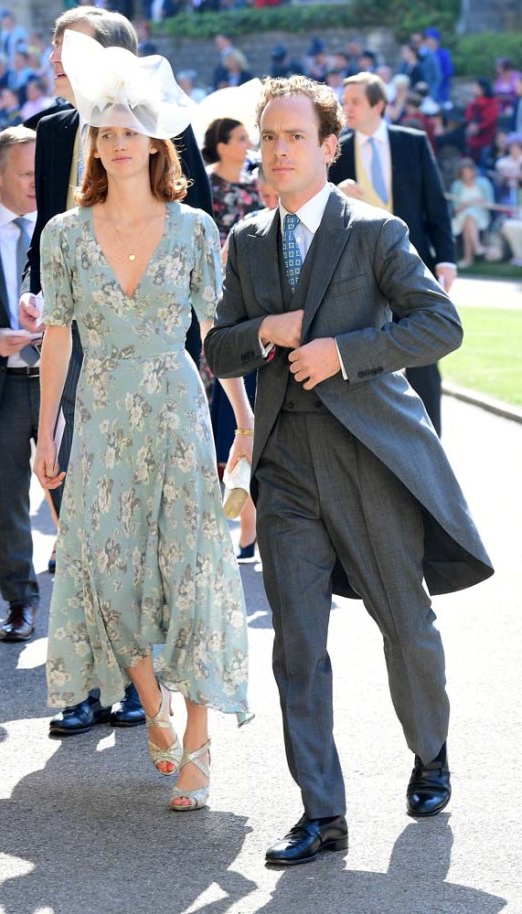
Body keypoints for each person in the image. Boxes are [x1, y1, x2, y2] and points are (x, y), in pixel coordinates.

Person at [205, 74, 493, 865]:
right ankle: (321, 812)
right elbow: (217, 349)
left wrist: (346, 353)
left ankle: (430, 754)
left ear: (331, 149)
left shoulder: (376, 231)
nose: (276, 151)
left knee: (405, 625)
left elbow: (441, 323)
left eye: (294, 136)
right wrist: (267, 328)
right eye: (267, 137)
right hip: (285, 468)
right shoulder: (250, 240)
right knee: (297, 643)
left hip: (370, 458)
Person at [33, 31, 251, 811]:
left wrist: (246, 426)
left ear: (155, 141)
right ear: (93, 144)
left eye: (130, 130)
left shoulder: (195, 229)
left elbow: (217, 337)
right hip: (100, 414)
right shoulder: (63, 235)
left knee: (191, 571)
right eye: (106, 131)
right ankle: (149, 699)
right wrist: (44, 430)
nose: (117, 144)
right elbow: (58, 335)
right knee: (102, 567)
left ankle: (196, 737)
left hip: (178, 415)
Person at [19, 5, 213, 735]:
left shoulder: (167, 126)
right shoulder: (49, 129)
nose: (57, 64)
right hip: (75, 339)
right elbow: (45, 229)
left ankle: (140, 688)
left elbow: (195, 262)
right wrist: (40, 300)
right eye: (53, 52)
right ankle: (88, 681)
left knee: (152, 537)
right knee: (86, 532)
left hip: (156, 367)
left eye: (68, 52)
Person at [329, 71, 456, 435]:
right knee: (364, 352)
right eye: (344, 100)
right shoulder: (337, 149)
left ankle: (431, 441)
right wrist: (337, 192)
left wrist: (445, 259)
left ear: (379, 105)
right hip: (358, 267)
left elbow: (436, 204)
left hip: (413, 262)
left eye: (354, 101)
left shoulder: (412, 143)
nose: (346, 108)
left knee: (424, 355)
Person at [0, 126, 41, 642]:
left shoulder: (61, 226)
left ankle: (91, 610)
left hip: (58, 382)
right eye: (26, 173)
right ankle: (20, 602)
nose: (37, 182)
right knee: (8, 500)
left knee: (79, 498)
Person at [201, 117, 260, 560]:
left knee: (241, 405)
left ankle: (250, 519)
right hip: (210, 302)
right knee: (206, 404)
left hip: (250, 305)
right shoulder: (205, 188)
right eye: (240, 138)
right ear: (220, 144)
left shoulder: (258, 190)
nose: (248, 145)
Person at [449, 157, 495, 268]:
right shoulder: (456, 185)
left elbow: (491, 204)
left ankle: (468, 258)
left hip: (481, 216)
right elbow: (455, 208)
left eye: (468, 172)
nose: (467, 175)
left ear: (473, 171)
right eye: (464, 173)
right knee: (468, 217)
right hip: (462, 216)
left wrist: (480, 202)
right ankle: (477, 246)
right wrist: (469, 203)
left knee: (469, 219)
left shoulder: (484, 183)